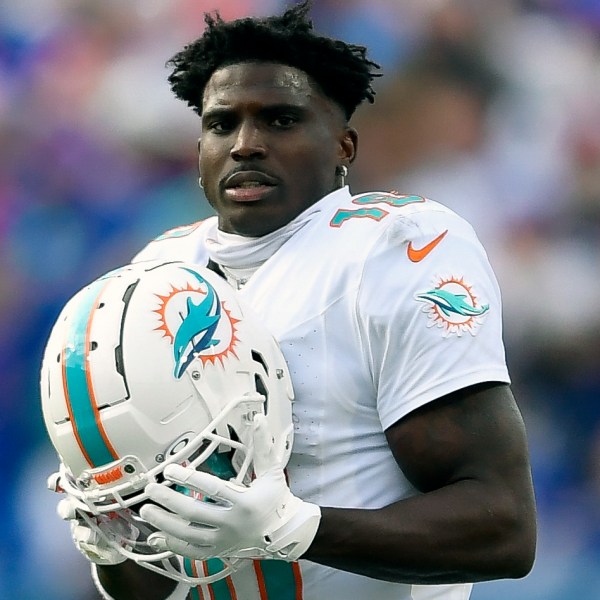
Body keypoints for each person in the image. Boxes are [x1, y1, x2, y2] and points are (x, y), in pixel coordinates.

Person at [54, 1, 537, 599]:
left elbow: (504, 530)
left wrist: (296, 527)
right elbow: (157, 585)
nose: (245, 144)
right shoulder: (159, 271)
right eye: (222, 124)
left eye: (280, 120)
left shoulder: (397, 246)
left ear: (344, 146)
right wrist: (115, 539)